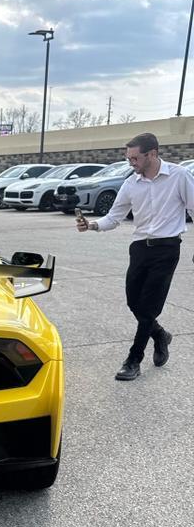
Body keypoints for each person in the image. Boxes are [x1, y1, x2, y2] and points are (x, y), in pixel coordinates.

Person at [76, 132, 194, 381]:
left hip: (167, 248)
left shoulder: (179, 176)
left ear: (152, 154)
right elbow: (114, 217)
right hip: (140, 248)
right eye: (128, 158)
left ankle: (133, 359)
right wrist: (92, 225)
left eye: (135, 158)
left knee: (149, 306)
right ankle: (160, 335)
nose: (131, 163)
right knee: (134, 302)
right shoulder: (131, 183)